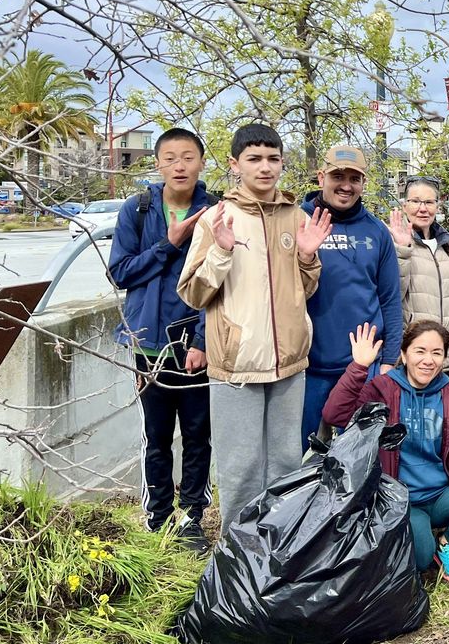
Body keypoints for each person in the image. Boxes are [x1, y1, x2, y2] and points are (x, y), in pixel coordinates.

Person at [178, 123, 332, 527]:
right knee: (240, 466)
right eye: (254, 159)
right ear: (234, 164)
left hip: (289, 363)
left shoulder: (296, 216)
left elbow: (306, 289)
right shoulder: (216, 218)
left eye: (273, 159)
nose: (265, 168)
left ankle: (277, 549)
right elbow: (192, 293)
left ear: (282, 162)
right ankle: (238, 555)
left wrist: (306, 258)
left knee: (284, 462)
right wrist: (222, 252)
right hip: (236, 364)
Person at [322, 320, 449, 582]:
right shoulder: (383, 388)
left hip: (438, 494)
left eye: (437, 353)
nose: (428, 360)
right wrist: (358, 367)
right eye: (420, 351)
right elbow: (335, 414)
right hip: (399, 499)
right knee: (421, 559)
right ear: (404, 354)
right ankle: (420, 541)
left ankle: (446, 542)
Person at [108, 127, 216, 551]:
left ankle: (192, 517)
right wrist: (168, 245)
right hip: (148, 345)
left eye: (188, 157)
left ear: (201, 162)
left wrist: (203, 340)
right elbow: (121, 272)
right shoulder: (138, 209)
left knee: (197, 435)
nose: (179, 165)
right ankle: (158, 517)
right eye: (170, 157)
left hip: (195, 345)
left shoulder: (215, 211)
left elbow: (222, 285)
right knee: (156, 436)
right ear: (158, 163)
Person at [299, 145, 402, 450]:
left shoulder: (376, 231)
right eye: (337, 176)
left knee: (357, 458)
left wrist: (389, 360)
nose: (346, 185)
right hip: (308, 366)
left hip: (362, 365)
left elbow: (390, 299)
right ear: (321, 177)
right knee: (301, 457)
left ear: (363, 183)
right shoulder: (297, 221)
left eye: (354, 178)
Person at [388, 176, 449, 372]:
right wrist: (402, 249)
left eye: (429, 202)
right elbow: (392, 294)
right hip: (411, 359)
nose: (423, 208)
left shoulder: (448, 245)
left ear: (438, 206)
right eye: (415, 201)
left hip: (444, 357)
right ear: (405, 205)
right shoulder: (394, 242)